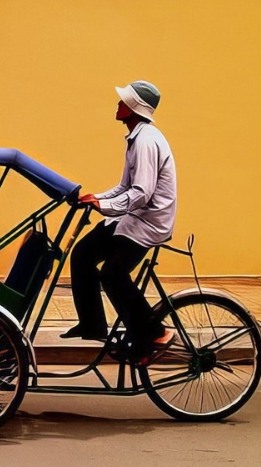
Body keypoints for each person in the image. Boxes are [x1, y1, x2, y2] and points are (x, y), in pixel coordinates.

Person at [61, 80, 177, 366]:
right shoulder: (135, 137)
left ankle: (156, 331)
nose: (118, 104)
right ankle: (92, 324)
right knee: (83, 254)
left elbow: (141, 193)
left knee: (112, 274)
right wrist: (97, 198)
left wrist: (106, 206)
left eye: (123, 102)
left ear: (134, 108)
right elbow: (124, 185)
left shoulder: (147, 141)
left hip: (147, 223)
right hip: (132, 217)